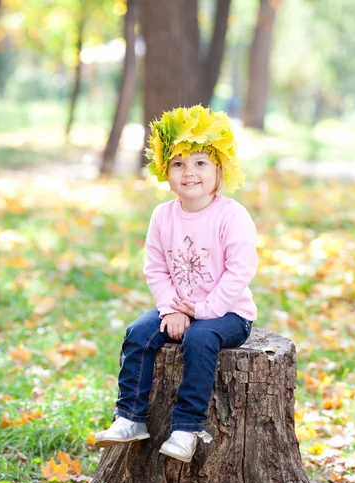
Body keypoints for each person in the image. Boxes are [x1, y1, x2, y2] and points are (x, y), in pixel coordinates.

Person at [95, 105, 257, 462]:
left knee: (200, 339)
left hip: (228, 312)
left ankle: (187, 427)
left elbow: (239, 271)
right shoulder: (162, 215)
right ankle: (130, 417)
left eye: (200, 163)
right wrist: (170, 308)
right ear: (164, 169)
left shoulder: (232, 216)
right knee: (138, 333)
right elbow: (156, 268)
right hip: (178, 306)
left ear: (219, 168)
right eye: (178, 164)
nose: (189, 173)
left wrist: (202, 311)